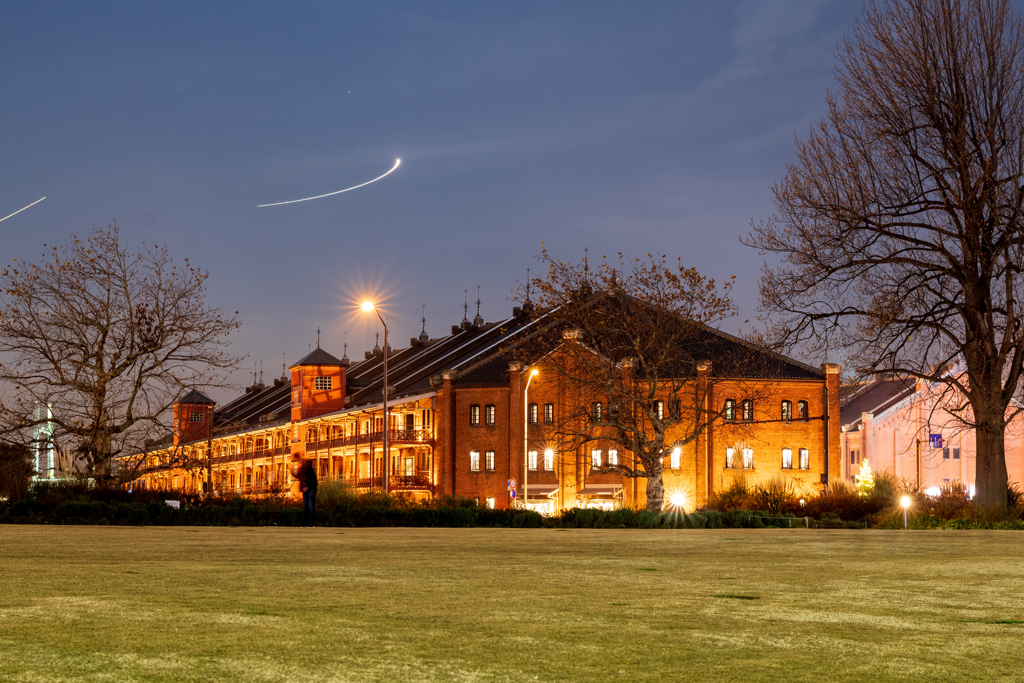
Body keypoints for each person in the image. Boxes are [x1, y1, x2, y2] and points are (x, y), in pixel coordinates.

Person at [291, 453, 318, 527]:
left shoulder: (309, 469)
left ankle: (310, 523)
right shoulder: (302, 468)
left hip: (310, 489)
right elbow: (298, 476)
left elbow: (313, 480)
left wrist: (308, 486)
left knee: (310, 507)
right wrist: (292, 472)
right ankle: (306, 522)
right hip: (305, 490)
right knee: (306, 506)